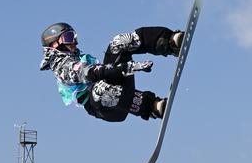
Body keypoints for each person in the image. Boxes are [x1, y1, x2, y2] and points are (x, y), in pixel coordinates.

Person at [39, 23, 184, 123]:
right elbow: (88, 73)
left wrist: (120, 69)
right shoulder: (60, 66)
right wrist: (124, 68)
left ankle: (169, 42)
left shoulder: (77, 56)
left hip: (115, 88)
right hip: (105, 107)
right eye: (69, 37)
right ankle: (152, 107)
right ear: (55, 44)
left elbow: (104, 71)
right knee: (98, 90)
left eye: (75, 37)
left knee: (118, 43)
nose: (75, 42)